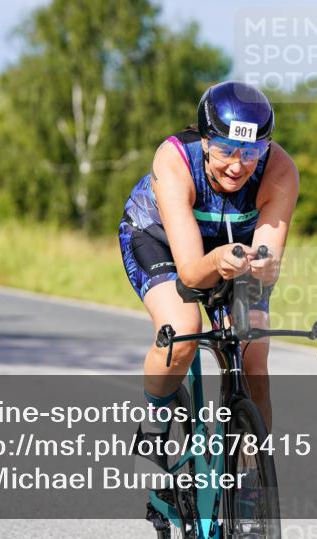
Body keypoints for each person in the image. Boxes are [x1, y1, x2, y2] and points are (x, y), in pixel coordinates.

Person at [119, 81, 299, 464]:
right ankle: (153, 428)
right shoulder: (174, 159)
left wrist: (265, 267)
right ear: (204, 141)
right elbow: (190, 275)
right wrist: (217, 262)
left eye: (251, 152)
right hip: (159, 238)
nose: (238, 165)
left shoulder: (280, 170)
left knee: (253, 356)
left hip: (232, 247)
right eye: (225, 150)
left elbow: (268, 264)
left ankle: (249, 482)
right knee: (182, 332)